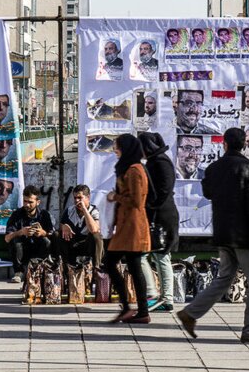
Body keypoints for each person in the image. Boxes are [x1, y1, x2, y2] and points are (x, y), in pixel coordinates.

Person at [177, 128, 249, 343]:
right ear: (244, 145)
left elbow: (208, 193)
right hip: (244, 235)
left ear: (225, 144)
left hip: (223, 232)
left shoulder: (213, 168)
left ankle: (191, 313)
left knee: (223, 279)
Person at [105, 134, 151, 324]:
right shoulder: (130, 169)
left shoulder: (134, 171)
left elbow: (137, 201)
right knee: (133, 267)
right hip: (126, 226)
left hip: (133, 227)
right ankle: (139, 310)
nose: (115, 150)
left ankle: (131, 308)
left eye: (117, 147)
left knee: (111, 263)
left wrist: (115, 197)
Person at [139, 132, 179, 312]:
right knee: (154, 256)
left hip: (162, 216)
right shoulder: (155, 162)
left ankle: (162, 297)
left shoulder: (160, 163)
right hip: (156, 214)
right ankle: (160, 296)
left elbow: (163, 190)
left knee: (161, 255)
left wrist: (149, 205)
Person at [5, 185, 55, 283]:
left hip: (38, 249)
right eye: (25, 201)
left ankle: (41, 269)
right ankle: (18, 272)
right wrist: (21, 232)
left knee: (47, 241)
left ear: (38, 202)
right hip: (23, 250)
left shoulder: (44, 215)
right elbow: (7, 238)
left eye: (30, 202)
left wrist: (42, 233)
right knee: (15, 241)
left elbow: (52, 235)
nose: (27, 205)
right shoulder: (17, 214)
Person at [59, 185, 103, 266]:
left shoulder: (94, 211)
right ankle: (66, 266)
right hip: (73, 243)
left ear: (88, 197)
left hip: (86, 244)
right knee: (57, 234)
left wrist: (85, 210)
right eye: (75, 198)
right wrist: (64, 226)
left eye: (80, 198)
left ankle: (97, 268)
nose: (77, 200)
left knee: (96, 236)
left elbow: (94, 230)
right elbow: (61, 225)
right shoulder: (69, 211)